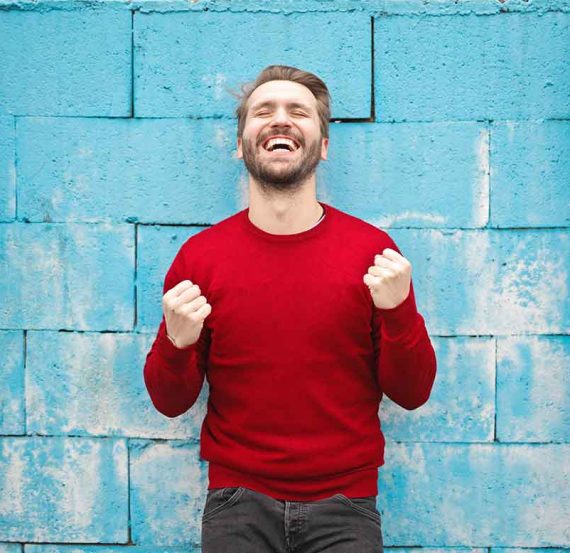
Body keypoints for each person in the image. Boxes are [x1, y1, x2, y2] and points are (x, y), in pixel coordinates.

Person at [143, 65, 437, 553]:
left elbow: (412, 392)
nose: (280, 120)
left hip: (347, 506)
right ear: (242, 143)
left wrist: (399, 311)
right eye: (264, 111)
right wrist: (177, 343)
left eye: (297, 111)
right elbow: (170, 402)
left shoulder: (373, 253)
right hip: (236, 505)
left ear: (322, 146)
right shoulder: (200, 258)